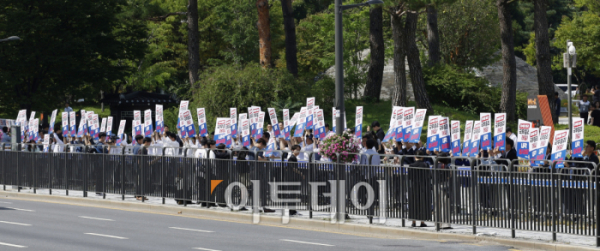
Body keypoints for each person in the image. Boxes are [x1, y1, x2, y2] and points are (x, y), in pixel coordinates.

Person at [408, 150, 431, 227]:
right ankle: (422, 222)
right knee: (422, 203)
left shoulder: (411, 165)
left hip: (413, 186)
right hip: (423, 186)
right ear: (422, 157)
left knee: (413, 203)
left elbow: (409, 177)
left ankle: (413, 222)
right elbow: (428, 176)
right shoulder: (425, 165)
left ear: (415, 157)